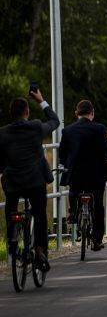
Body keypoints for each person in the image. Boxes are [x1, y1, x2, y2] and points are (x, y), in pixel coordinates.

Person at [0, 89, 59, 271]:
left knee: (11, 210)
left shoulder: (2, 133)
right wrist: (41, 101)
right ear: (27, 112)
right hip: (34, 182)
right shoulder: (35, 126)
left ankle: (12, 241)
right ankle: (40, 250)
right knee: (39, 213)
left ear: (11, 113)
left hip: (13, 184)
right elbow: (55, 122)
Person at [61, 100, 107, 250]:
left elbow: (62, 155)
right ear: (92, 113)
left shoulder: (68, 131)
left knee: (73, 190)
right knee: (98, 206)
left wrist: (66, 164)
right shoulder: (100, 129)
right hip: (96, 176)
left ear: (76, 114)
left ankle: (73, 213)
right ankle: (97, 239)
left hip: (75, 175)